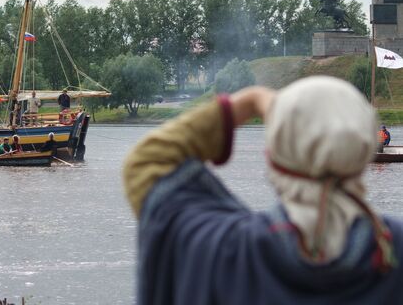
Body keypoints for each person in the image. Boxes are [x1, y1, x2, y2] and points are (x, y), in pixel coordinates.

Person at [123, 76, 403, 305]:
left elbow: (150, 161)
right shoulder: (394, 248)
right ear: (363, 152)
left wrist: (251, 100)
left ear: (272, 157)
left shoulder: (221, 248)